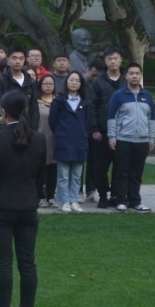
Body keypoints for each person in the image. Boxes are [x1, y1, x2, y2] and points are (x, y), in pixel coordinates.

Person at [0, 90, 48, 307]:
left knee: (3, 260)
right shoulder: (39, 139)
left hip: (2, 205)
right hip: (28, 205)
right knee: (27, 261)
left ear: (3, 112)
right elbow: (41, 174)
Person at [107, 62, 155, 212]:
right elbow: (112, 117)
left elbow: (152, 119)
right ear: (126, 76)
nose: (134, 76)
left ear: (141, 76)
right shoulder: (118, 95)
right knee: (122, 172)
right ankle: (121, 200)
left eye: (137, 73)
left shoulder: (147, 96)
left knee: (136, 173)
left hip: (142, 141)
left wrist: (151, 138)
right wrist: (112, 137)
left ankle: (135, 201)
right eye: (131, 73)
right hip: (123, 139)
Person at [87, 46, 126, 207]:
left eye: (115, 58)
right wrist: (95, 129)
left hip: (124, 131)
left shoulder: (127, 80)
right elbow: (92, 106)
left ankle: (116, 195)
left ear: (121, 59)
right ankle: (103, 195)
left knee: (121, 166)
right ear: (105, 61)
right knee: (100, 166)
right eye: (109, 58)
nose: (113, 61)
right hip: (103, 131)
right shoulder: (98, 81)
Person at [49, 72, 91, 213]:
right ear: (66, 82)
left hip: (80, 142)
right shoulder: (59, 101)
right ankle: (63, 201)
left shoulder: (85, 103)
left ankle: (74, 200)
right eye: (71, 80)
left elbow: (87, 122)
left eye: (77, 80)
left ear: (81, 84)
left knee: (76, 175)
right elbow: (52, 121)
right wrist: (61, 134)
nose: (74, 83)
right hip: (63, 142)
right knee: (63, 175)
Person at [35, 73, 58, 208]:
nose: (48, 86)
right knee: (40, 169)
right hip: (40, 138)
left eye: (51, 84)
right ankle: (40, 196)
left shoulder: (58, 101)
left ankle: (51, 196)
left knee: (53, 169)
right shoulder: (36, 102)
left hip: (55, 139)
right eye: (45, 83)